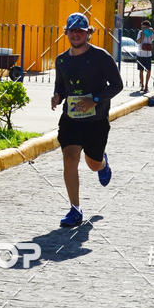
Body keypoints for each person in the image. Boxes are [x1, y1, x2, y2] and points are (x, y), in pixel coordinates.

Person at [51, 12, 124, 227]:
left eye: (80, 31)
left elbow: (117, 85)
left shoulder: (101, 57)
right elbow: (61, 86)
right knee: (70, 157)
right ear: (66, 33)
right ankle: (75, 209)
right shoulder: (61, 60)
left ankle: (102, 164)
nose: (76, 35)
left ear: (87, 33)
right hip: (71, 120)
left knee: (92, 164)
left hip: (96, 121)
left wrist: (95, 100)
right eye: (72, 31)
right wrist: (57, 97)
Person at [136, 20, 154, 93]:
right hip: (140, 54)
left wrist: (153, 32)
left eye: (145, 28)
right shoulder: (140, 32)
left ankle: (146, 85)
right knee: (141, 70)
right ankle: (142, 85)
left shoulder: (150, 32)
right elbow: (138, 41)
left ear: (148, 27)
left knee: (149, 70)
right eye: (142, 27)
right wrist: (143, 35)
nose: (143, 29)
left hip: (148, 55)